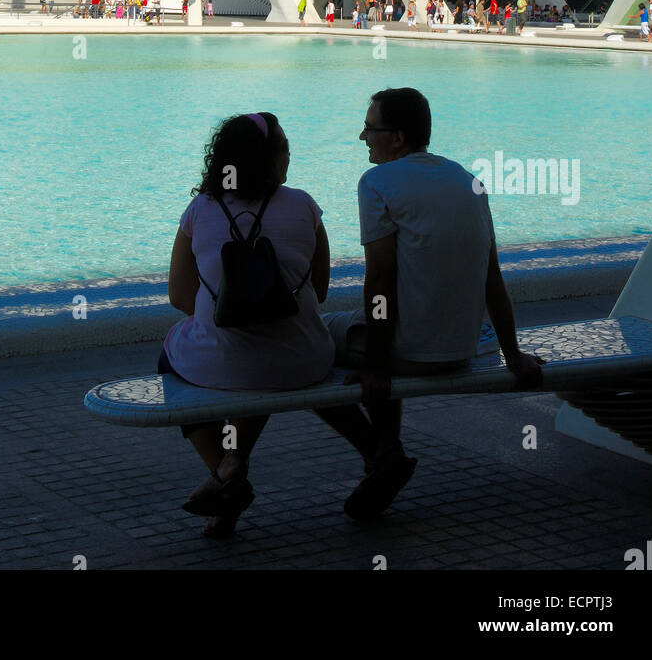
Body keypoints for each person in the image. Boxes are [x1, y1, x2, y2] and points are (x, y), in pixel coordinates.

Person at [320, 88, 544, 520]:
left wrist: (378, 367)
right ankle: (385, 453)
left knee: (304, 348)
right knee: (385, 329)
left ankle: (382, 452)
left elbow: (380, 280)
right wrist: (512, 355)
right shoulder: (467, 178)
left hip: (412, 354)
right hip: (462, 349)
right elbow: (491, 275)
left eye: (371, 127)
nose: (363, 135)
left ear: (398, 138)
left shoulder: (376, 183)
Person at [163, 111, 333, 537]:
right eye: (287, 151)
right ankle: (229, 473)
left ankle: (226, 469)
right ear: (274, 160)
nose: (290, 160)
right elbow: (321, 289)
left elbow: (179, 298)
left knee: (176, 358)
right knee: (262, 358)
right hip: (303, 360)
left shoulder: (200, 210)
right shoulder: (305, 205)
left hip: (225, 365)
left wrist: (230, 314)